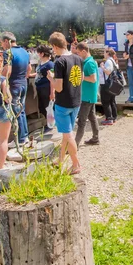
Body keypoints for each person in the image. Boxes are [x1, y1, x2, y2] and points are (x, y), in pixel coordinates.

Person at [47, 32, 83, 175]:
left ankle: (76, 164)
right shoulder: (78, 58)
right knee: (66, 134)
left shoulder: (59, 62)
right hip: (76, 101)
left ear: (55, 46)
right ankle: (61, 159)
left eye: (52, 47)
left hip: (63, 104)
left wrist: (50, 78)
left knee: (68, 135)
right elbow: (80, 79)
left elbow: (59, 87)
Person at [0, 32, 32, 147]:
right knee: (21, 111)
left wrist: (0, 78)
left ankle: (21, 139)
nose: (2, 45)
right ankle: (25, 136)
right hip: (23, 84)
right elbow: (29, 69)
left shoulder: (8, 52)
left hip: (14, 86)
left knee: (16, 112)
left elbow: (8, 71)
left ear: (7, 41)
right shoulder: (25, 52)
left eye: (2, 42)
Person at [74, 42, 100, 146]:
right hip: (89, 95)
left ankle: (75, 145)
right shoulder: (88, 61)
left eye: (79, 53)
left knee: (81, 121)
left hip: (87, 96)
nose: (78, 55)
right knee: (92, 117)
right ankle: (95, 138)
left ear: (84, 51)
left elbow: (93, 79)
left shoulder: (89, 63)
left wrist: (81, 77)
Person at [32, 44, 54, 132]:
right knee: (42, 107)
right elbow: (38, 73)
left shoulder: (50, 65)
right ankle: (48, 123)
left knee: (48, 107)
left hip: (46, 88)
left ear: (41, 54)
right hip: (40, 88)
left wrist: (52, 92)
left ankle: (50, 125)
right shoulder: (41, 63)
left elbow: (52, 78)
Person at [100, 48, 119, 125]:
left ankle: (109, 118)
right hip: (112, 84)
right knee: (112, 101)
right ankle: (114, 117)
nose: (103, 54)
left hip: (107, 84)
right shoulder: (113, 61)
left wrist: (102, 67)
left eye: (104, 52)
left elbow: (108, 71)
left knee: (105, 101)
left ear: (108, 53)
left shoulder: (108, 61)